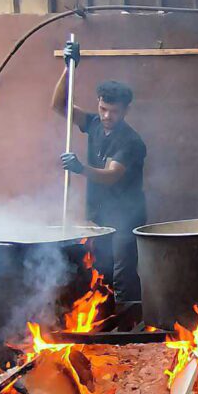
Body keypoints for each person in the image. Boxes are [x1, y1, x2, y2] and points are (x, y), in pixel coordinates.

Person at [51, 40, 147, 302]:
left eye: (113, 112)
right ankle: (105, 318)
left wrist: (80, 168)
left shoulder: (130, 141)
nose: (106, 116)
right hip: (99, 214)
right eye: (103, 109)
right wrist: (69, 69)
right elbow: (59, 106)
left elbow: (112, 175)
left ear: (125, 110)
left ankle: (131, 320)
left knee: (123, 275)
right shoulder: (93, 123)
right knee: (100, 271)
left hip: (126, 217)